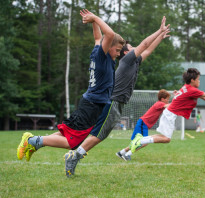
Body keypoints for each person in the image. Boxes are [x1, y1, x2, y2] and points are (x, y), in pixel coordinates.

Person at [63, 16, 171, 177]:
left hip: (117, 103)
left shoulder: (135, 62)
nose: (136, 48)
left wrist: (160, 36)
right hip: (112, 102)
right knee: (100, 134)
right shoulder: (127, 60)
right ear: (127, 52)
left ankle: (75, 153)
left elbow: (149, 49)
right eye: (132, 47)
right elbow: (145, 44)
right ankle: (75, 155)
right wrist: (159, 30)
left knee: (101, 134)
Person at [17, 9, 125, 162]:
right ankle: (31, 141)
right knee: (72, 142)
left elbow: (97, 37)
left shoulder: (97, 51)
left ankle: (34, 142)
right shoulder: (102, 55)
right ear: (108, 46)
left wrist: (94, 22)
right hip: (92, 105)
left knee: (66, 134)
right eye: (118, 50)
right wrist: (95, 18)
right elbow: (109, 35)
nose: (119, 54)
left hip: (89, 103)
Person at [129, 68, 205, 154]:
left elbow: (204, 97)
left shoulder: (187, 88)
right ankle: (140, 141)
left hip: (169, 114)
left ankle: (136, 143)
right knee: (166, 139)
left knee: (165, 138)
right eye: (198, 79)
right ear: (192, 80)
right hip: (170, 114)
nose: (199, 81)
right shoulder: (191, 89)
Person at [116, 89, 174, 161]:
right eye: (167, 99)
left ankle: (121, 152)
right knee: (144, 142)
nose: (168, 100)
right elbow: (170, 106)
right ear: (162, 99)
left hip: (143, 123)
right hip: (143, 123)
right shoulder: (160, 103)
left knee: (138, 141)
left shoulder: (160, 104)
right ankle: (127, 155)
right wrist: (178, 98)